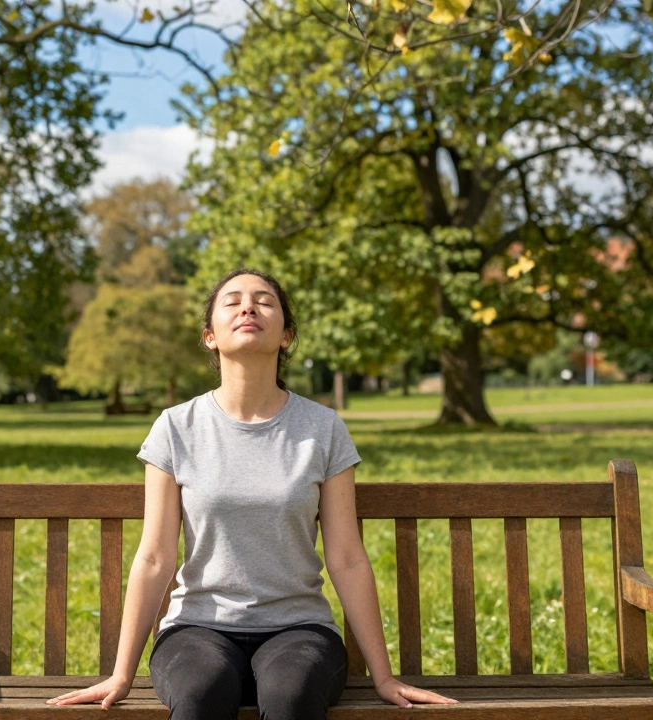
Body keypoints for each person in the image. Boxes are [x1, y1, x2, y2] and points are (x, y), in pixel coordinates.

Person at [45, 269, 456, 717]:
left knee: (290, 696)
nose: (248, 307)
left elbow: (348, 557)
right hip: (196, 629)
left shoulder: (323, 429)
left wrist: (385, 677)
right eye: (233, 300)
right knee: (203, 692)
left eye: (264, 301)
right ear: (209, 336)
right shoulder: (176, 427)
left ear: (286, 336)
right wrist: (121, 674)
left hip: (299, 630)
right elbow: (155, 557)